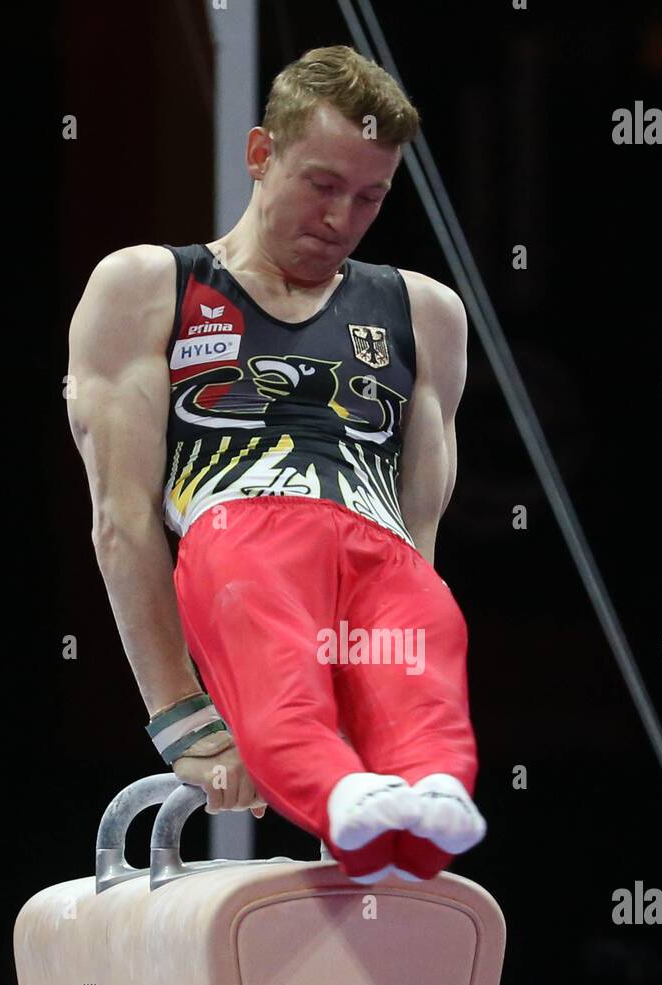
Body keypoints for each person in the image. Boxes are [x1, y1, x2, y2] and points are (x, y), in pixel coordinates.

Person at [67, 44, 486, 884]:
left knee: (426, 618)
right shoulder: (151, 287)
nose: (342, 219)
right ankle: (327, 777)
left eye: (370, 197)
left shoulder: (425, 312)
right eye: (322, 185)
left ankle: (429, 788)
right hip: (241, 552)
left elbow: (416, 538)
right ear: (260, 155)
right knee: (253, 593)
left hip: (368, 552)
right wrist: (184, 718)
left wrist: (376, 734)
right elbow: (122, 524)